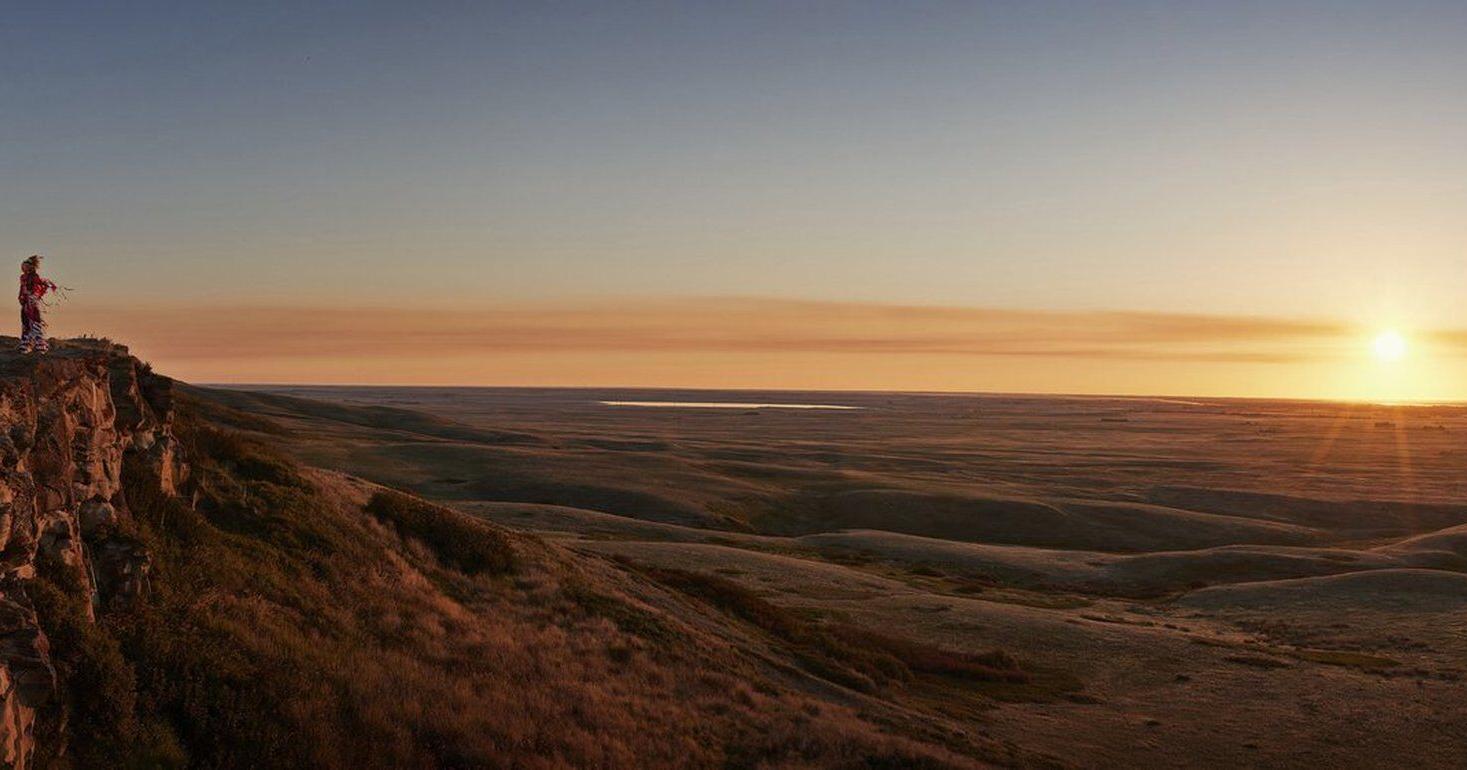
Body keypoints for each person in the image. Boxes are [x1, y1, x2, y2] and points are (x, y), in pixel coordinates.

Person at [19, 255, 57, 354]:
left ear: (31, 267)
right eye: (23, 266)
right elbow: (22, 289)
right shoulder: (23, 277)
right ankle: (26, 345)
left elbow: (43, 284)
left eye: (25, 266)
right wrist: (21, 297)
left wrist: (36, 295)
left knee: (35, 322)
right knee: (25, 323)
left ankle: (40, 345)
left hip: (33, 303)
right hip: (25, 303)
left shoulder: (35, 277)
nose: (23, 268)